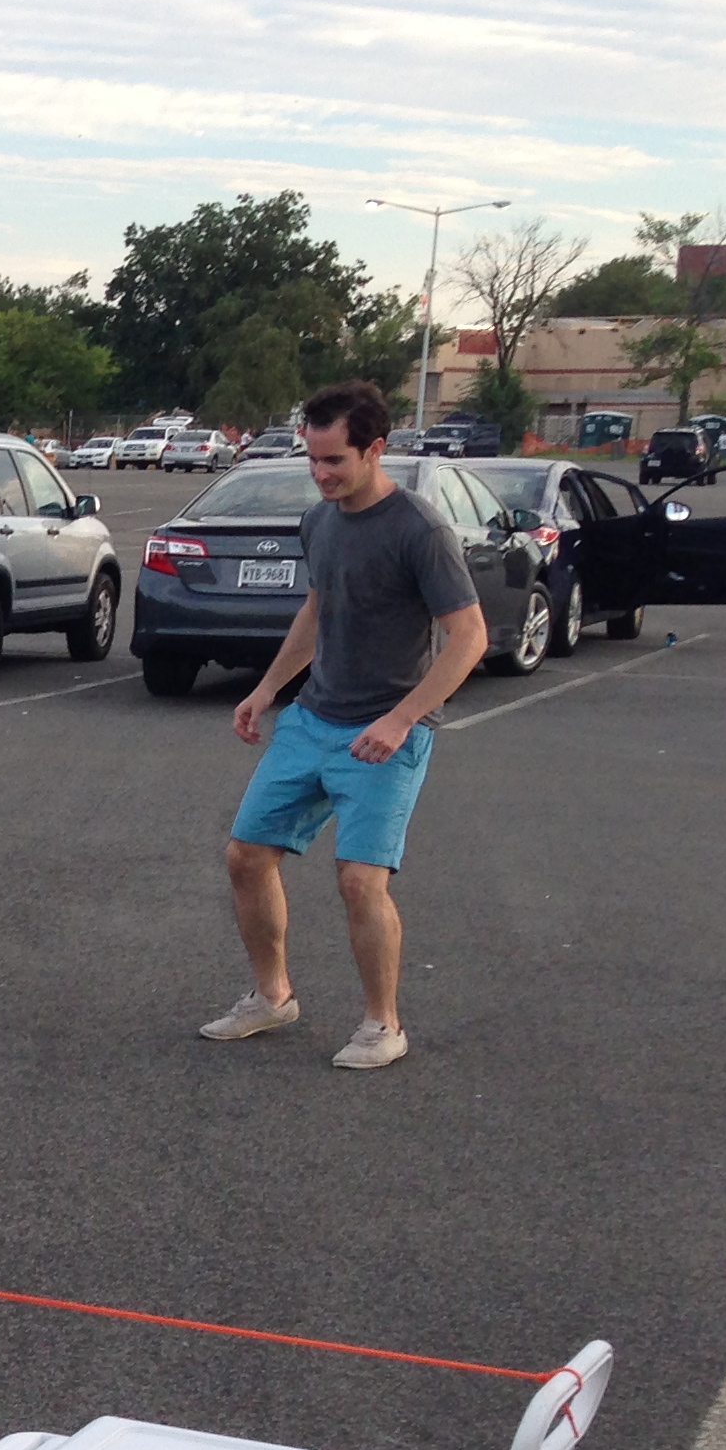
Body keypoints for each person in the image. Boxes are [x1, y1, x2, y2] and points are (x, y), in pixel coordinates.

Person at [201, 379, 488, 1071]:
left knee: (360, 880)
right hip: (314, 718)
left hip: (386, 732)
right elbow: (317, 610)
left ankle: (382, 1024)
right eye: (313, 460)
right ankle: (273, 997)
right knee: (246, 856)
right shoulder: (318, 522)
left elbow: (469, 637)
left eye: (335, 461)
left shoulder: (420, 531)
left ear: (375, 449)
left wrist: (402, 717)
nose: (322, 475)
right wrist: (268, 688)